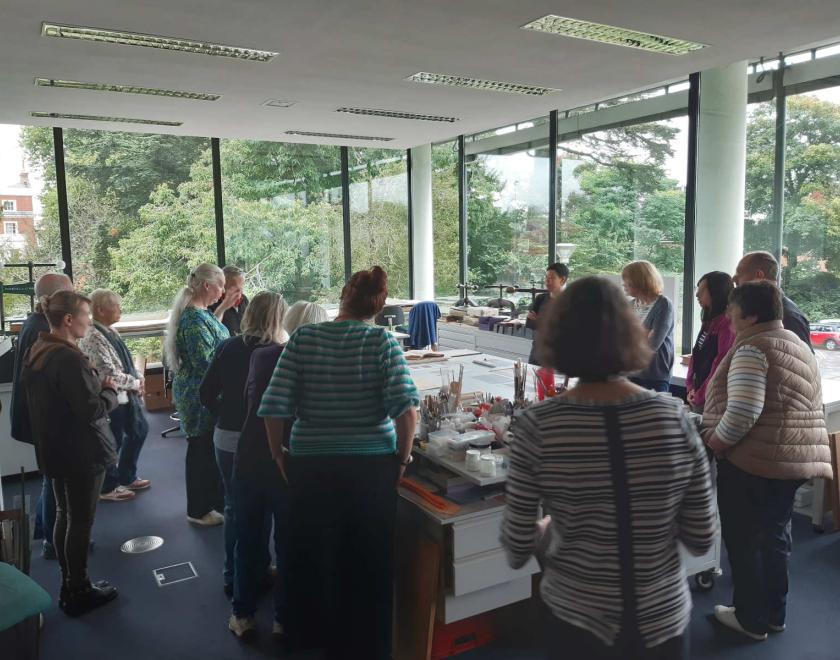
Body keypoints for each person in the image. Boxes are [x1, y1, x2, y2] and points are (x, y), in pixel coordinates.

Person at [501, 277, 716, 660]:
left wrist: (549, 528)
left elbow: (518, 546)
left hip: (577, 620)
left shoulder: (539, 424)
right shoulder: (673, 419)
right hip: (661, 619)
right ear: (630, 333)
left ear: (558, 338)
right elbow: (702, 537)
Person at [260, 266, 419, 659]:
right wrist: (402, 459)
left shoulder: (304, 338)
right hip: (370, 470)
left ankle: (313, 643)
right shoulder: (382, 341)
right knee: (369, 564)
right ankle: (368, 648)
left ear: (343, 297)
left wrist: (278, 453)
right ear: (378, 308)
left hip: (312, 467)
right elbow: (407, 412)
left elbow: (274, 406)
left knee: (313, 559)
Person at [702, 281, 831, 641]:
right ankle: (774, 614)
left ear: (751, 315)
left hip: (755, 462)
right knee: (774, 537)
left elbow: (743, 412)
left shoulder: (753, 348)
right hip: (791, 460)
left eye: (733, 308)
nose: (728, 314)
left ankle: (750, 618)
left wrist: (715, 441)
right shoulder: (795, 343)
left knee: (746, 541)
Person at [226, 301, 327, 640]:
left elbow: (251, 401)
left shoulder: (263, 356)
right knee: (288, 544)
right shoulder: (321, 365)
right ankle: (284, 618)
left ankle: (242, 614)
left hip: (250, 456)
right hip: (290, 460)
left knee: (247, 539)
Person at [21, 290, 120, 616]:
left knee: (65, 514)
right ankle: (78, 589)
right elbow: (91, 410)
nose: (89, 322)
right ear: (68, 319)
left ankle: (69, 583)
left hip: (55, 449)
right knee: (80, 522)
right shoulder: (68, 358)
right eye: (85, 316)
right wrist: (109, 390)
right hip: (81, 453)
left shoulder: (39, 349)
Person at [199, 291, 288, 602]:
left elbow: (205, 393)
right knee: (265, 509)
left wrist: (225, 414)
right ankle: (258, 572)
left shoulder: (227, 346)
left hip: (226, 437)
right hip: (264, 440)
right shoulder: (279, 353)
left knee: (235, 508)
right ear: (279, 318)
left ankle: (233, 575)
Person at [165, 263, 236, 526]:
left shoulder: (202, 313)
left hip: (205, 391)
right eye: (221, 286)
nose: (222, 291)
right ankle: (198, 510)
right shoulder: (193, 320)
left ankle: (213, 502)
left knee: (207, 449)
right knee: (201, 452)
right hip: (198, 396)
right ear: (207, 285)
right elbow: (206, 363)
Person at [10, 272, 73, 559]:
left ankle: (43, 529)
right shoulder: (43, 330)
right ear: (56, 297)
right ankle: (52, 541)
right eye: (70, 291)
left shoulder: (33, 322)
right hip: (43, 419)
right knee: (55, 479)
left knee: (50, 477)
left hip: (33, 415)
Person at [79, 289, 151, 503]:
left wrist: (138, 377)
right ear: (100, 310)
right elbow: (108, 373)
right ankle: (108, 486)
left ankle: (126, 476)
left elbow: (123, 361)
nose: (121, 310)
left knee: (139, 430)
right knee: (113, 441)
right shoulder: (93, 336)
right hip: (111, 397)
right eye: (116, 306)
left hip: (125, 394)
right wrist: (135, 383)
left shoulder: (110, 330)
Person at [733, 251, 812, 349]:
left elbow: (802, 356)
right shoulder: (763, 309)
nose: (733, 279)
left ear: (759, 275)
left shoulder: (789, 316)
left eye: (739, 274)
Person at [686, 272, 736, 412]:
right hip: (700, 394)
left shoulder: (727, 323)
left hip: (713, 397)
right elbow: (696, 355)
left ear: (716, 292)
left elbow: (719, 364)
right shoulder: (709, 321)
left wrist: (700, 395)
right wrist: (690, 387)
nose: (697, 295)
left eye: (702, 290)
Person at [622, 260, 675, 392]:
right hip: (629, 374)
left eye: (626, 280)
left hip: (654, 376)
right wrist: (644, 333)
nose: (623, 284)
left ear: (639, 280)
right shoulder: (630, 305)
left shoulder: (663, 305)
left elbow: (653, 344)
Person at [526, 262, 569, 365]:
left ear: (562, 280)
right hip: (537, 351)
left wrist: (539, 320)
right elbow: (529, 323)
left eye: (552, 278)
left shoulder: (570, 301)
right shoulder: (540, 298)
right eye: (546, 277)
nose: (547, 281)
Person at [209, 265, 248, 336]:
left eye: (242, 286)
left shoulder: (244, 300)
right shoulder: (212, 303)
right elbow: (211, 331)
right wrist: (223, 307)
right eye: (235, 288)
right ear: (223, 286)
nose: (240, 292)